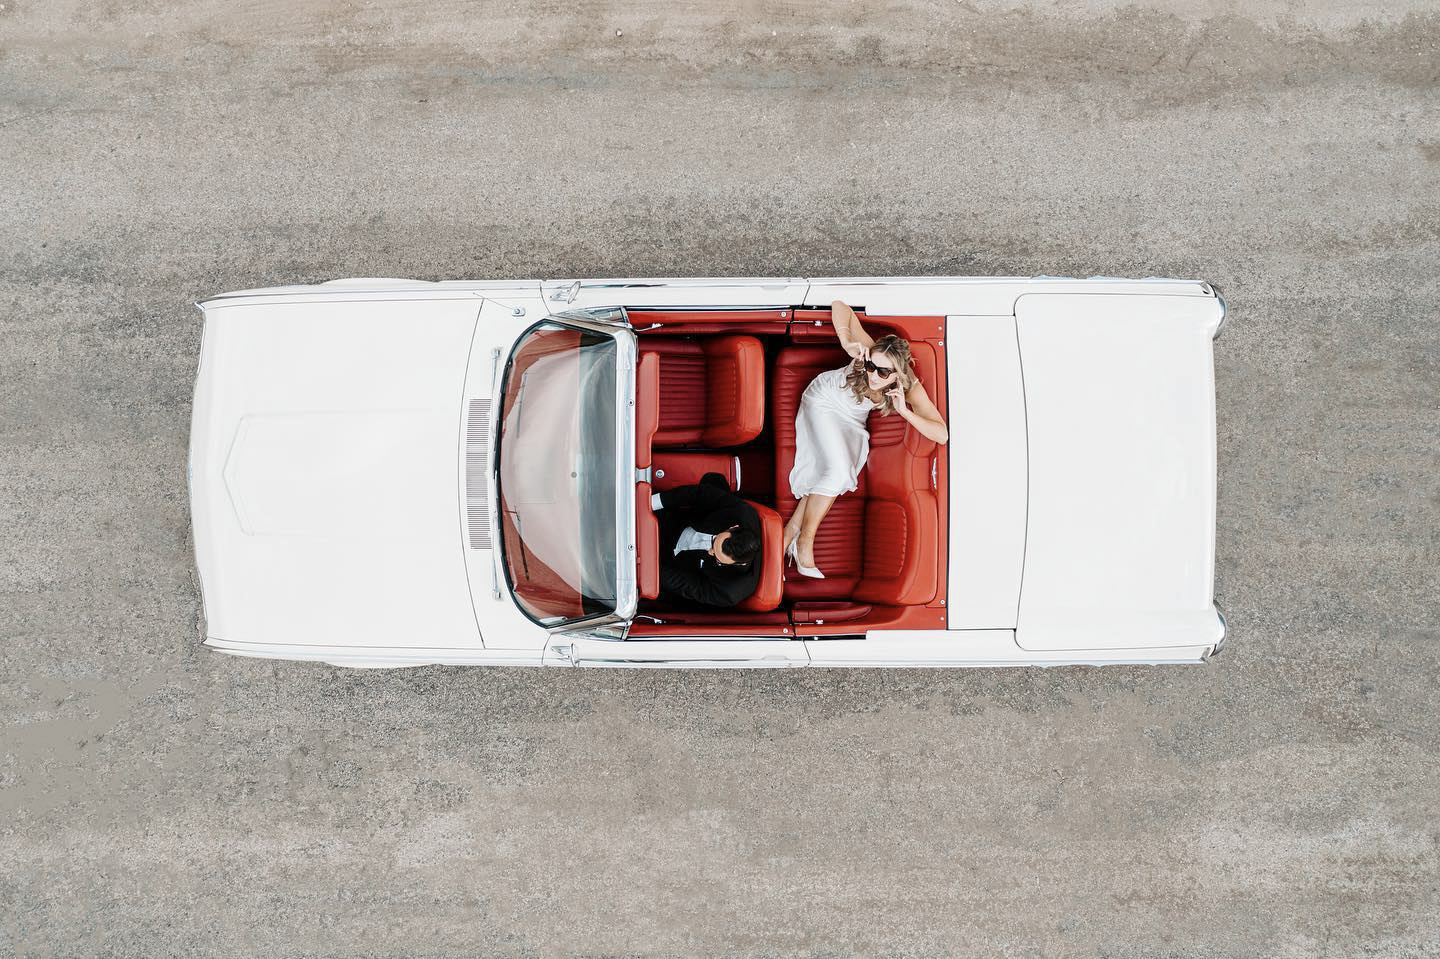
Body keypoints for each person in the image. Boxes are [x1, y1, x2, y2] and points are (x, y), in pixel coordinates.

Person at [784, 300, 949, 578]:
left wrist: (905, 412)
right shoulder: (870, 352)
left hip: (851, 420)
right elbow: (840, 307)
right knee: (837, 473)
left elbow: (940, 434)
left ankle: (790, 532)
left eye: (883, 372)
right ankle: (804, 542)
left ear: (897, 373)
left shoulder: (909, 387)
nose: (873, 375)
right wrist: (847, 341)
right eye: (872, 366)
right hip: (824, 400)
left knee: (834, 473)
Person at [650, 472, 763, 607]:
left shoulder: (730, 590)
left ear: (736, 564)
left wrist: (645, 566)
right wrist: (649, 503)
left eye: (717, 558)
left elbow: (683, 584)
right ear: (733, 527)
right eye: (714, 542)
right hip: (677, 522)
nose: (710, 552)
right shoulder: (740, 512)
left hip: (672, 567)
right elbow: (699, 494)